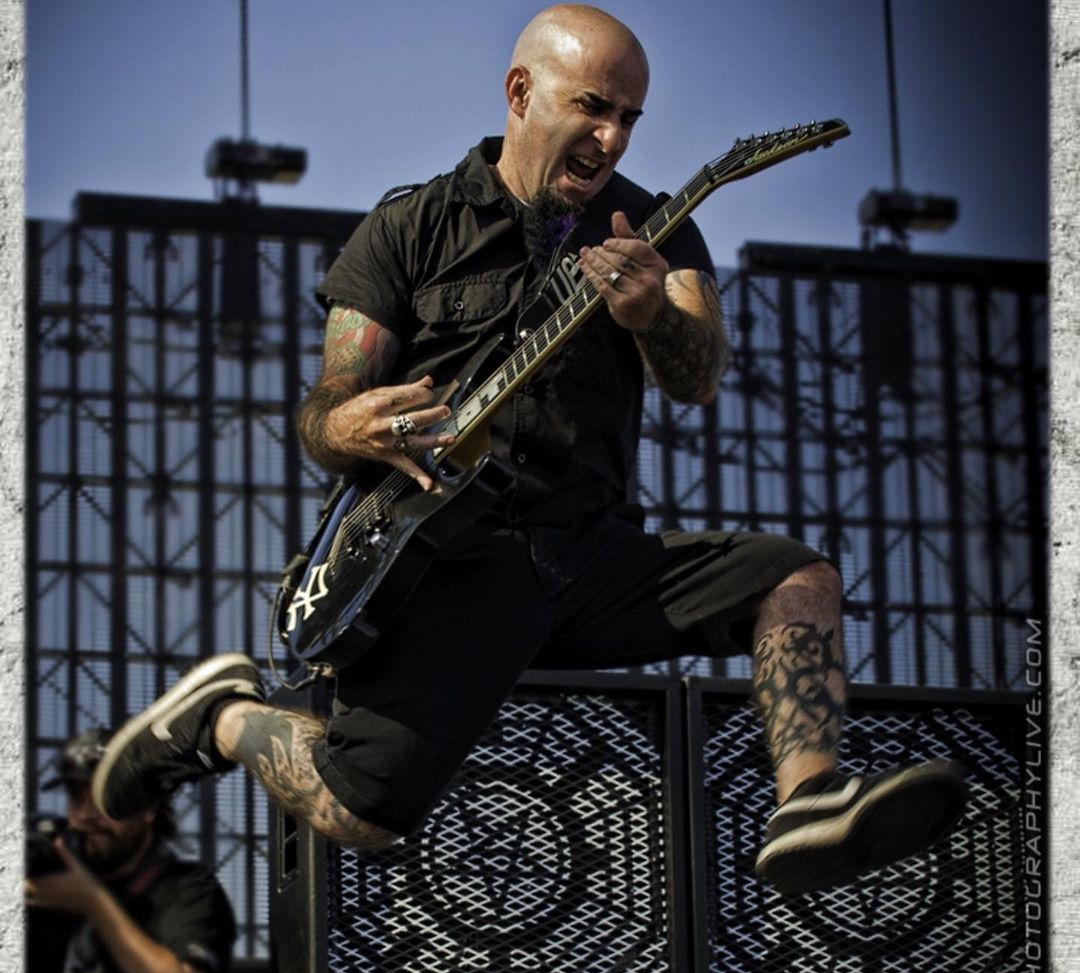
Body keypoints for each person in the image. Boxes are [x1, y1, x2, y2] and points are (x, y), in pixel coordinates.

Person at [91, 4, 966, 897]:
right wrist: (348, 427)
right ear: (521, 92)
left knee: (798, 579)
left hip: (592, 551)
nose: (611, 137)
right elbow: (327, 407)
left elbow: (698, 377)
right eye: (593, 107)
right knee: (360, 812)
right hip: (458, 563)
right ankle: (221, 716)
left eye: (628, 118)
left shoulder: (651, 228)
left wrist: (651, 316)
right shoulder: (409, 227)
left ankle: (809, 800)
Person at [25, 729, 236, 973]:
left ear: (148, 807)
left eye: (102, 798)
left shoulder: (186, 888)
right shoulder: (57, 898)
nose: (86, 815)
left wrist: (94, 902)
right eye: (76, 798)